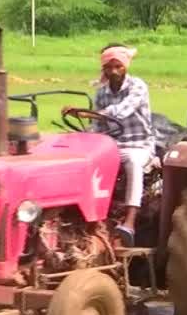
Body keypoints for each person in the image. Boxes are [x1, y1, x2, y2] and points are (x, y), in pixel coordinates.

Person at [64, 44, 153, 245]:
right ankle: (85, 218)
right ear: (103, 69)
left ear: (125, 67)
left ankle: (129, 222)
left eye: (117, 67)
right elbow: (96, 125)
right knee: (84, 161)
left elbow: (122, 111)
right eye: (108, 67)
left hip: (137, 144)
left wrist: (87, 113)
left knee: (133, 162)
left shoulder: (137, 86)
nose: (113, 71)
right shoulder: (102, 93)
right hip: (110, 145)